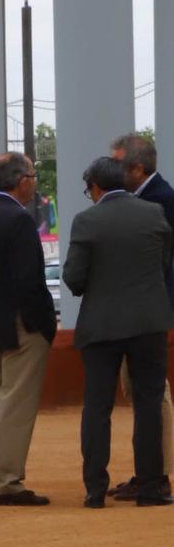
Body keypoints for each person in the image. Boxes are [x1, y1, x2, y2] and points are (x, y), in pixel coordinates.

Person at [63, 154, 174, 507]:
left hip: (101, 325)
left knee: (97, 407)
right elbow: (163, 262)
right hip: (149, 322)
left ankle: (95, 489)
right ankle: (151, 487)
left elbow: (74, 278)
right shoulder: (153, 214)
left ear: (96, 187)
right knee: (149, 403)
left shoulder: (86, 221)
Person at [0, 152, 57, 505]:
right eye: (33, 175)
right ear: (22, 181)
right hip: (23, 323)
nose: (34, 182)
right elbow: (29, 281)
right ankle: (7, 481)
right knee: (17, 403)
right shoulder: (19, 220)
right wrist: (45, 324)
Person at [109, 132, 174, 500]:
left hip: (150, 312)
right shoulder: (147, 198)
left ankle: (159, 473)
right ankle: (148, 471)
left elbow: (161, 263)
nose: (111, 169)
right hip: (139, 311)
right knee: (140, 392)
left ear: (137, 167)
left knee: (154, 392)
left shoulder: (162, 200)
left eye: (117, 163)